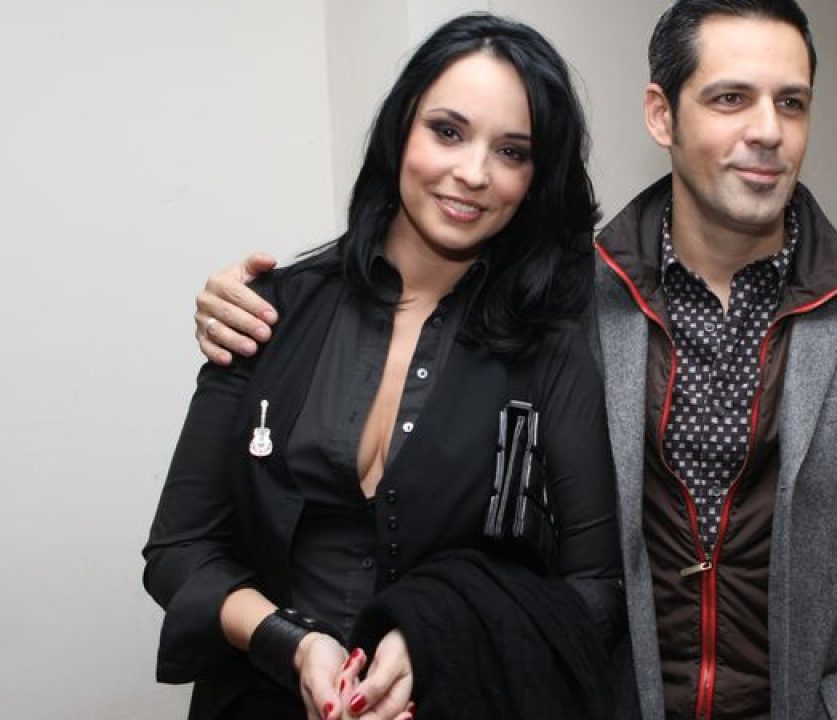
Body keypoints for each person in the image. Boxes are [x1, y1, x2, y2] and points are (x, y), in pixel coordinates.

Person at [193, 1, 837, 718]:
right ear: (662, 114)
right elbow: (407, 295)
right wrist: (252, 302)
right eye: (730, 98)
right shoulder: (561, 299)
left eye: (790, 102)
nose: (767, 130)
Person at [144, 13, 621, 720]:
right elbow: (180, 550)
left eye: (512, 151)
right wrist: (294, 644)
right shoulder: (269, 312)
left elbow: (597, 590)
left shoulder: (552, 349)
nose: (473, 173)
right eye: (448, 131)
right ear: (402, 128)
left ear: (535, 177)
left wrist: (438, 641)